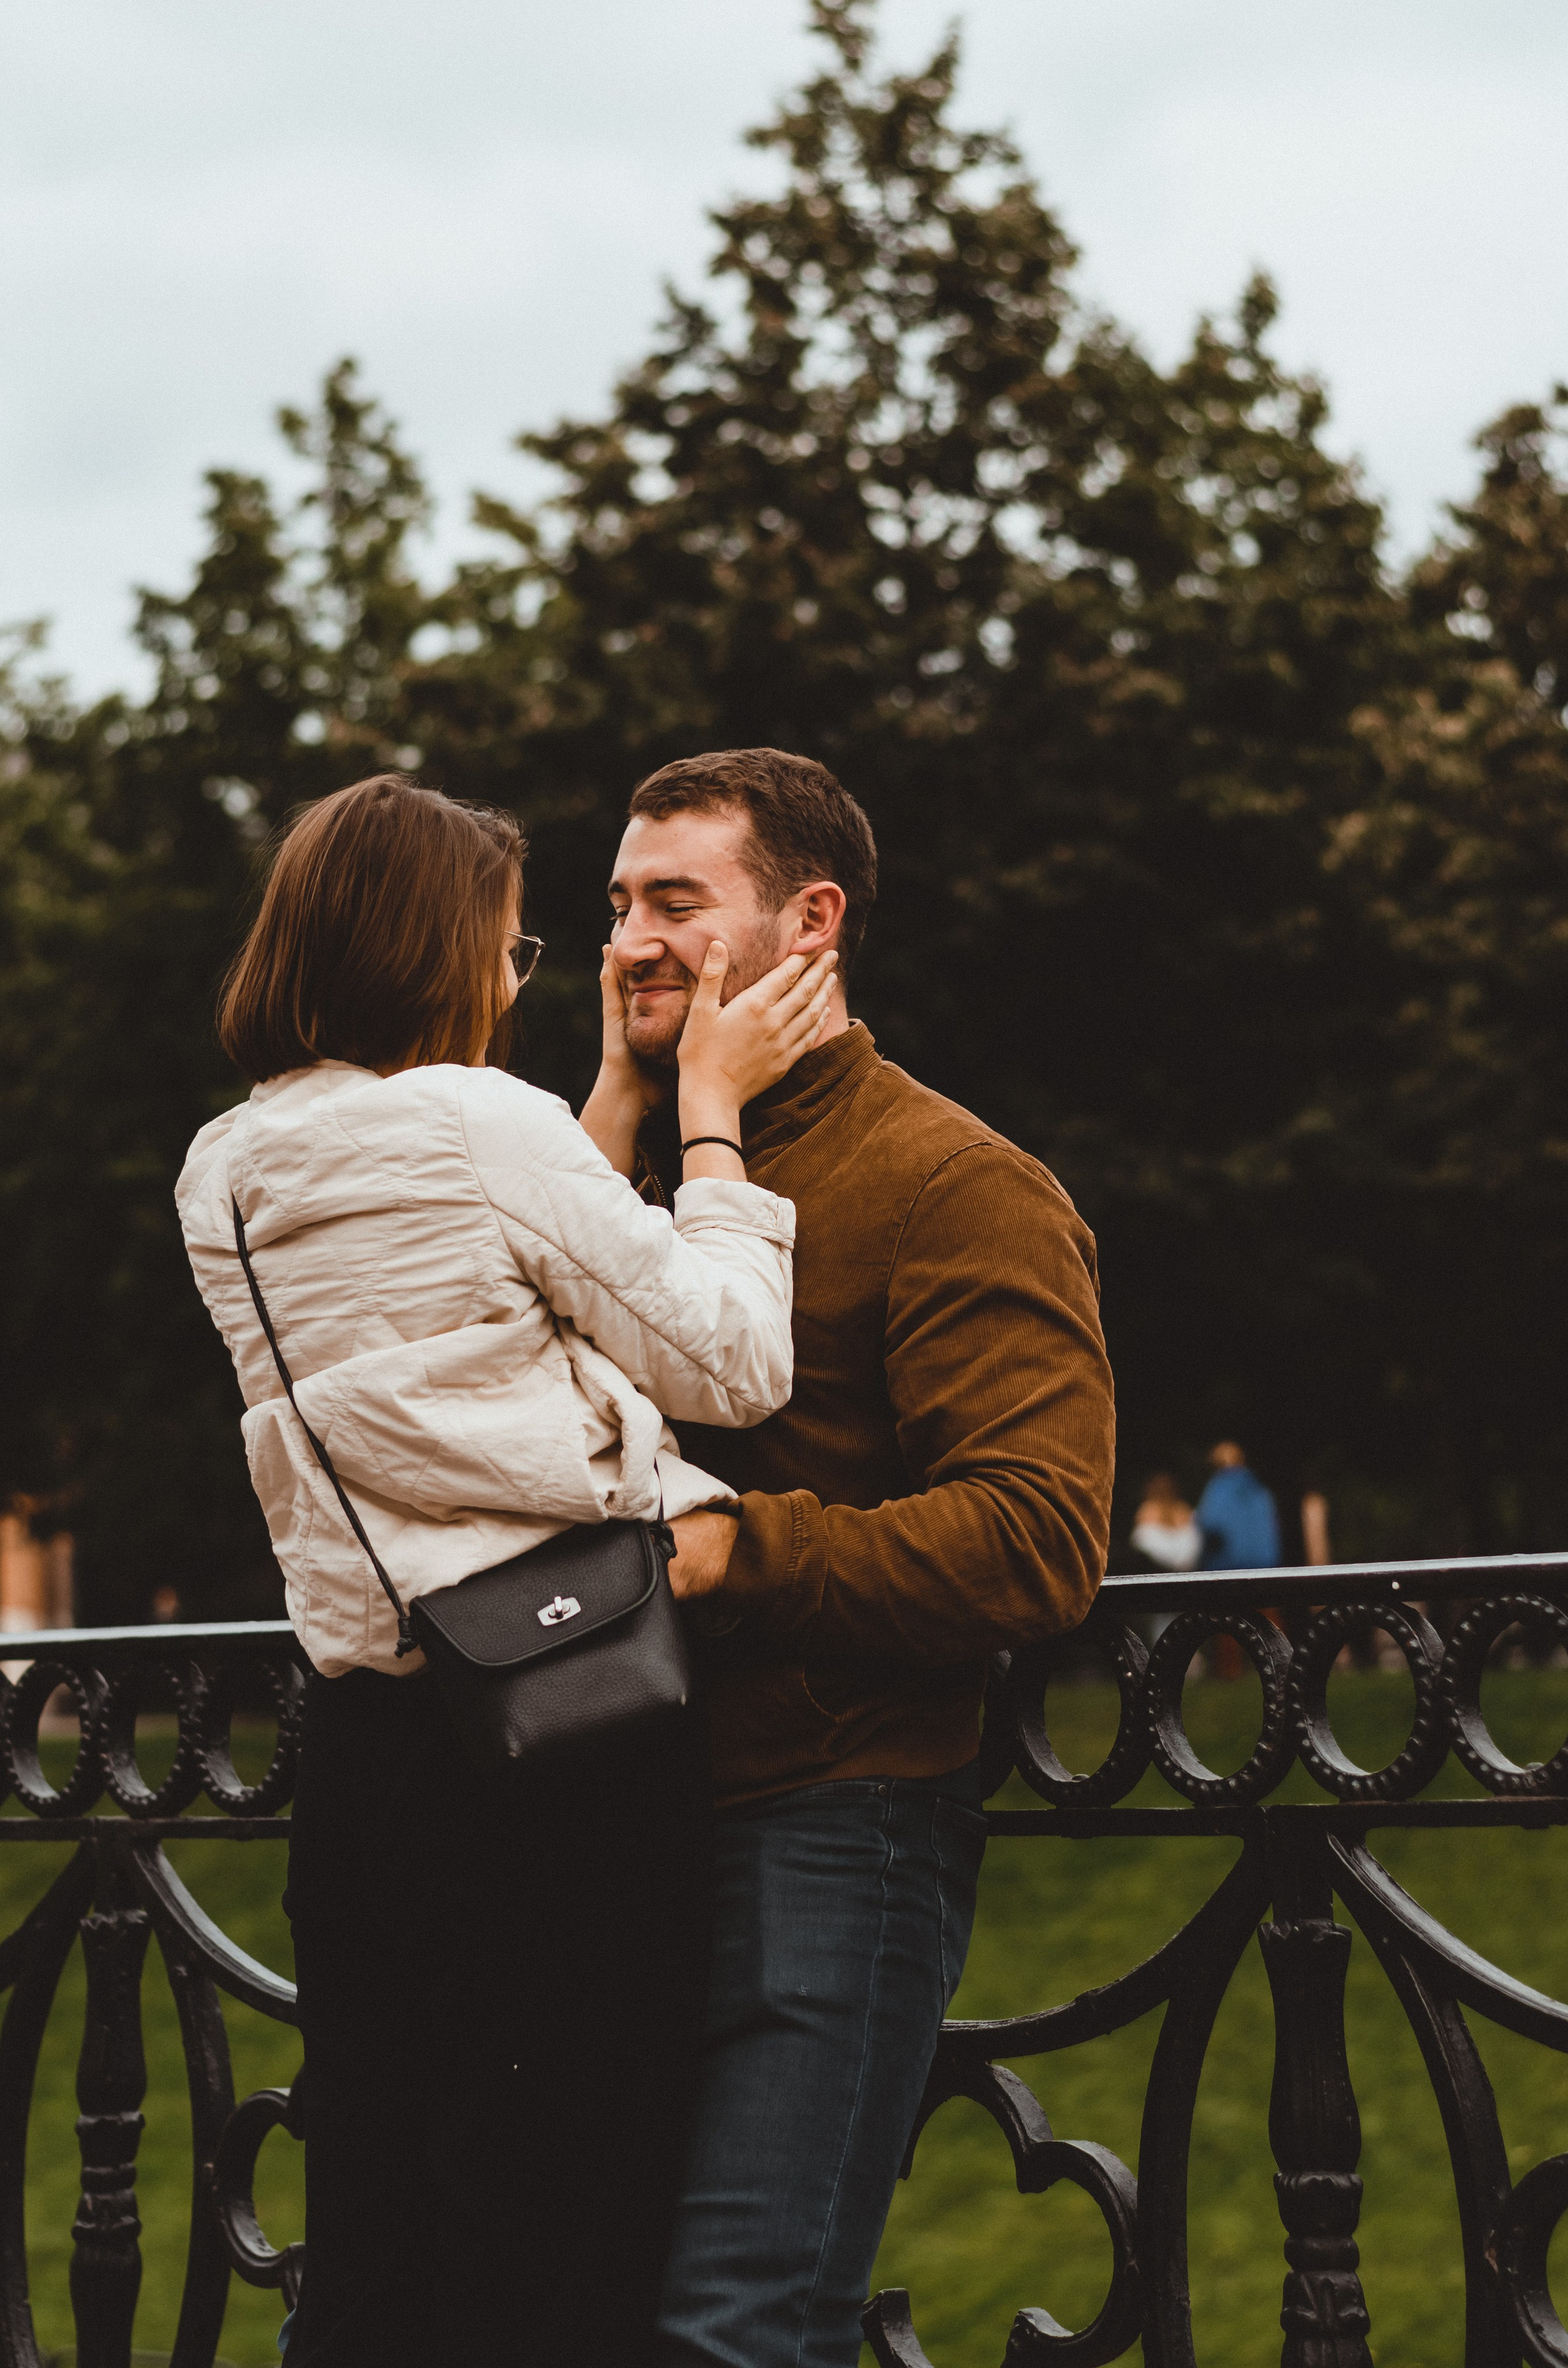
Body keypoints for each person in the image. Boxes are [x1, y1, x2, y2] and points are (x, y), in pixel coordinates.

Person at [175, 771, 837, 2367]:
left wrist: (599, 1091)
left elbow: (469, 1303)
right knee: (566, 2229)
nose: (511, 974)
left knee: (388, 2234)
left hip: (374, 1762)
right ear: (435, 949)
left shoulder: (225, 1170)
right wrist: (708, 1113)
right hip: (563, 1739)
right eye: (511, 944)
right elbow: (734, 1364)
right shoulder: (483, 1125)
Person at [600, 747, 1117, 2368]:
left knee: (737, 2330)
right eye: (617, 905)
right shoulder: (625, 1172)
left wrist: (736, 1552)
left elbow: (1038, 1539)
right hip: (608, 1821)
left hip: (834, 1827)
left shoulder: (956, 1185)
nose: (629, 943)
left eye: (677, 903)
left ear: (810, 922)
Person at [1194, 1439, 1281, 1570]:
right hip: (1264, 1565)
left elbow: (1210, 1523)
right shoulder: (1259, 1488)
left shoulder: (1219, 1486)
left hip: (1228, 1566)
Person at [1129, 1471, 1202, 1572]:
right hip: (1154, 1569)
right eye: (1160, 1487)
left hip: (1186, 1565)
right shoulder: (1146, 1511)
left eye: (1167, 1487)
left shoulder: (1183, 1510)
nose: (1163, 1490)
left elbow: (1193, 1543)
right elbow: (1142, 1544)